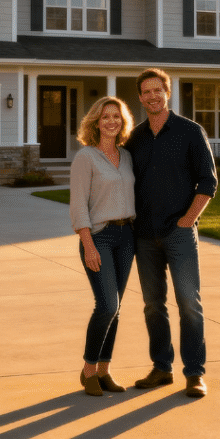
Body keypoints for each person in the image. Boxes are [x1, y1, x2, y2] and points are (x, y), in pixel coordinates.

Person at [125, 68, 216, 399]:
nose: (152, 96)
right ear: (139, 97)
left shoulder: (190, 132)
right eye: (145, 92)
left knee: (189, 303)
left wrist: (187, 220)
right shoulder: (134, 138)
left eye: (157, 90)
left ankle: (194, 374)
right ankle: (162, 368)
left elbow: (208, 181)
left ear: (168, 92)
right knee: (152, 305)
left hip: (179, 234)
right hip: (145, 236)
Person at [69, 96, 137, 397]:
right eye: (106, 117)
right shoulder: (86, 158)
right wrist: (89, 244)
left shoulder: (127, 156)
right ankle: (88, 369)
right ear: (96, 122)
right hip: (99, 237)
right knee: (107, 305)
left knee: (116, 309)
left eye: (117, 117)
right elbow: (78, 206)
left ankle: (105, 370)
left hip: (127, 237)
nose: (112, 122)